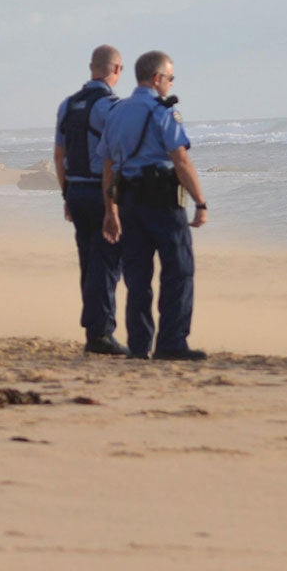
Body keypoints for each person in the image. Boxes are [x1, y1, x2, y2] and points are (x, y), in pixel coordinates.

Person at [99, 50, 208, 361]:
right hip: (162, 202)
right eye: (170, 78)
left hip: (129, 201)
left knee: (137, 277)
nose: (171, 85)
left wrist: (110, 210)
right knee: (178, 271)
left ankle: (138, 345)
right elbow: (181, 160)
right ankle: (171, 342)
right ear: (157, 78)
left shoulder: (116, 112)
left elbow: (108, 165)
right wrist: (201, 201)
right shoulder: (162, 112)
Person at [55, 44, 125, 356]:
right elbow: (115, 157)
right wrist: (114, 205)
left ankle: (93, 328)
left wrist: (66, 194)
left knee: (89, 261)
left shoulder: (67, 105)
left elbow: (59, 156)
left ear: (91, 67)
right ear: (117, 70)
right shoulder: (111, 106)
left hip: (76, 190)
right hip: (100, 191)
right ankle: (100, 334)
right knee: (107, 263)